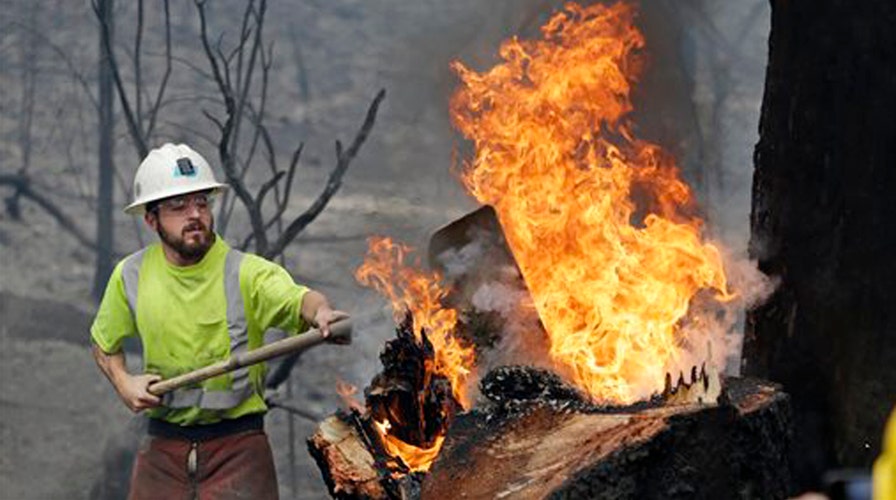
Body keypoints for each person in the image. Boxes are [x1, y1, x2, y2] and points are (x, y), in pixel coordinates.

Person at [90, 143, 347, 499]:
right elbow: (104, 344)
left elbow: (301, 300)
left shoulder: (247, 272)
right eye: (178, 206)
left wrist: (321, 313)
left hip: (239, 448)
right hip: (162, 450)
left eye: (201, 203)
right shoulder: (130, 275)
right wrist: (123, 382)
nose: (194, 214)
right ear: (151, 220)